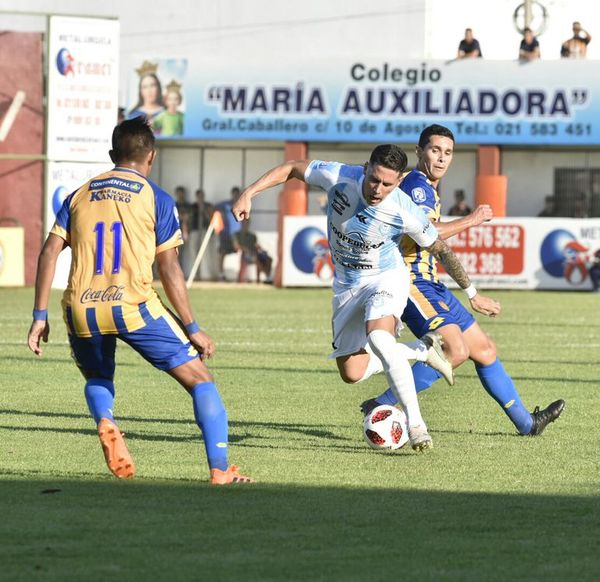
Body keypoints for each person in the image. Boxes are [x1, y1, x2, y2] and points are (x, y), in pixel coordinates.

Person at [27, 117, 253, 485]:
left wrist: (39, 315)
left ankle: (105, 420)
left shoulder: (79, 194)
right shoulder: (156, 198)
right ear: (151, 157)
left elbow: (49, 252)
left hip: (82, 308)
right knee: (201, 380)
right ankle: (221, 469)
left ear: (112, 154)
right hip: (134, 306)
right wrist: (192, 327)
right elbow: (169, 268)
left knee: (99, 376)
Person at [232, 145, 501, 451]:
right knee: (352, 373)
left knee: (380, 339)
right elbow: (292, 167)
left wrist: (472, 293)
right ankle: (421, 350)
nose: (378, 189)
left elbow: (440, 249)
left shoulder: (403, 208)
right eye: (374, 179)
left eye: (388, 184)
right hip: (347, 286)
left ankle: (416, 425)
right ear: (365, 168)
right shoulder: (337, 176)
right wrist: (249, 192)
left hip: (387, 278)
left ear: (399, 182)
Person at [362, 125, 565, 437]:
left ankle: (528, 424)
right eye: (434, 150)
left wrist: (472, 292)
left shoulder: (427, 187)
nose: (442, 158)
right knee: (455, 350)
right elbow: (429, 234)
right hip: (410, 281)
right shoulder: (417, 185)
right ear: (419, 152)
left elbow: (438, 246)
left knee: (483, 349)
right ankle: (382, 405)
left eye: (447, 152)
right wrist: (473, 219)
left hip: (431, 283)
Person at [215, 187, 243, 281]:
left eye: (237, 194)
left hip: (238, 235)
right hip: (225, 234)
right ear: (232, 194)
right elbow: (214, 208)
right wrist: (220, 217)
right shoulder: (225, 205)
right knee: (222, 253)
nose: (235, 196)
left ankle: (240, 276)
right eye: (234, 194)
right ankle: (221, 275)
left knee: (240, 252)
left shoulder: (242, 204)